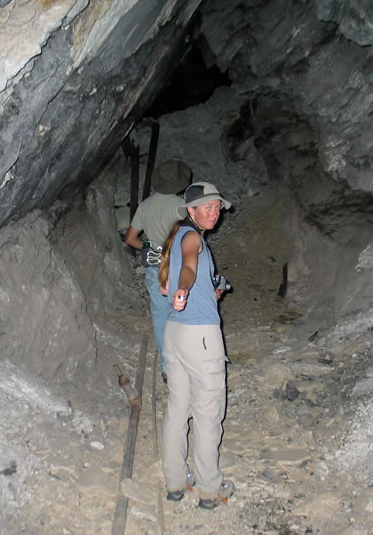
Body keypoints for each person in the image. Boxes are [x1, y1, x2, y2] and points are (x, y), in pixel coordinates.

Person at [159, 182, 235, 510]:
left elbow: (167, 287)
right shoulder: (192, 238)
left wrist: (197, 292)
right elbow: (188, 268)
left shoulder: (174, 239)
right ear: (191, 211)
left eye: (217, 207)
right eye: (207, 207)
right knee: (207, 412)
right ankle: (209, 489)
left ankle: (175, 483)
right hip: (200, 337)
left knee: (178, 408)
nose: (215, 213)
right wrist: (185, 288)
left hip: (174, 334)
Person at [124, 160, 192, 382]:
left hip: (155, 267)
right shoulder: (181, 206)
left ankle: (166, 367)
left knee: (161, 318)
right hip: (178, 267)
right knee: (182, 314)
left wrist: (151, 249)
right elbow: (191, 240)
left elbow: (130, 238)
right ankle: (186, 363)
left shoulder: (145, 205)